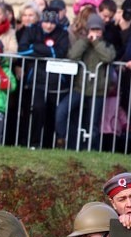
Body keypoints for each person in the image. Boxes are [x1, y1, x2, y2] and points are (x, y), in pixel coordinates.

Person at [57, 13, 116, 149]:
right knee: (62, 111)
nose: (95, 33)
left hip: (98, 90)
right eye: (92, 30)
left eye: (98, 30)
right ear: (88, 30)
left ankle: (91, 150)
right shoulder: (82, 43)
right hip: (80, 88)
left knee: (93, 123)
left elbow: (108, 57)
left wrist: (96, 42)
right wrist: (85, 41)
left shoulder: (107, 45)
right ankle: (62, 139)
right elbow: (72, 56)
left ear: (102, 31)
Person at [16, 8, 71, 148]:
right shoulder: (31, 30)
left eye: (52, 23)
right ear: (41, 21)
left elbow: (60, 53)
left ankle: (48, 145)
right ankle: (33, 142)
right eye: (46, 22)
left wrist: (36, 48)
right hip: (36, 78)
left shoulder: (62, 33)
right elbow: (22, 50)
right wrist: (46, 51)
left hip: (55, 80)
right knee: (38, 109)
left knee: (52, 113)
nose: (48, 26)